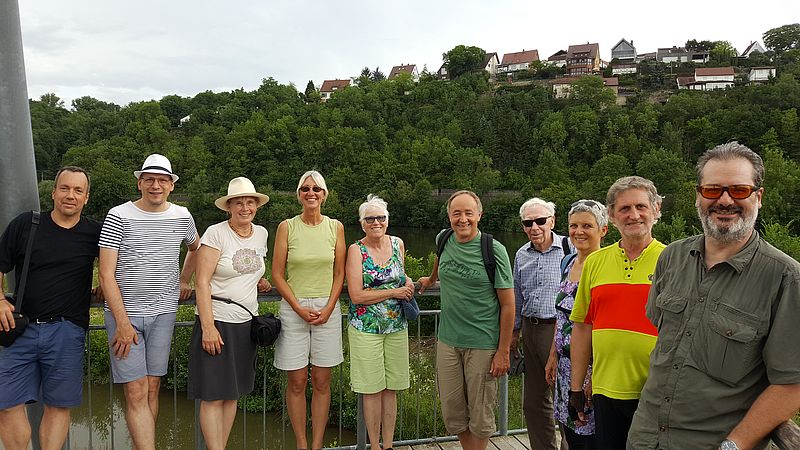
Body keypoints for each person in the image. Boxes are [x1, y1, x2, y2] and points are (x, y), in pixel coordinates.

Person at [628, 142, 800, 450]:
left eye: (739, 190)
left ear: (758, 197)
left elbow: (791, 385)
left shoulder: (785, 278)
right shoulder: (672, 257)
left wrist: (734, 445)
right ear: (698, 196)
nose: (724, 200)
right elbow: (664, 336)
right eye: (712, 190)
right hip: (644, 438)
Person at [99, 154, 200, 450]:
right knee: (135, 390)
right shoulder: (118, 215)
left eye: (162, 180)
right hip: (123, 316)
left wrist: (184, 280)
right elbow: (106, 274)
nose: (156, 185)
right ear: (140, 183)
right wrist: (122, 322)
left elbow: (196, 247)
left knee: (152, 387)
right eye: (150, 180)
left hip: (164, 313)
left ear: (171, 185)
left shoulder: (182, 216)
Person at [0, 167, 102, 450]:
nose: (71, 195)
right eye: (65, 188)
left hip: (67, 331)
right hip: (20, 329)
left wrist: (106, 286)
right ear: (54, 192)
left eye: (78, 191)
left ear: (86, 197)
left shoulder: (95, 232)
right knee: (5, 403)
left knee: (58, 406)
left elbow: (115, 267)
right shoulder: (27, 225)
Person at [569, 176, 665, 450]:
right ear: (611, 216)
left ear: (656, 210)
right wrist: (576, 387)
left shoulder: (673, 260)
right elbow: (582, 326)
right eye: (624, 209)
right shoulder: (595, 262)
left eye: (641, 207)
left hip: (655, 391)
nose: (633, 215)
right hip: (605, 389)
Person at [418, 190, 515, 450]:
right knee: (453, 411)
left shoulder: (493, 250)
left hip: (482, 344)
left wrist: (503, 351)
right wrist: (430, 279)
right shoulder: (444, 238)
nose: (462, 219)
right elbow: (440, 260)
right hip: (448, 341)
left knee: (480, 413)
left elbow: (508, 305)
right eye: (456, 213)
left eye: (468, 213)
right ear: (449, 216)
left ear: (479, 215)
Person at [187, 177, 271, 450]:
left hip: (245, 323)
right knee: (213, 395)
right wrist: (208, 327)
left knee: (233, 393)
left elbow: (252, 267)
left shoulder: (261, 234)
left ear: (256, 206)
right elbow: (202, 281)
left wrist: (262, 280)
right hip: (218, 321)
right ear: (229, 207)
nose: (245, 208)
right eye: (239, 203)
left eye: (250, 202)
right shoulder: (216, 233)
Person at [272, 170, 346, 450]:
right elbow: (277, 274)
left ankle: (317, 445)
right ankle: (302, 444)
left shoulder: (335, 227)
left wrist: (328, 307)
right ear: (299, 195)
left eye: (316, 189)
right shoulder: (286, 227)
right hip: (294, 308)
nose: (311, 193)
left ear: (324, 195)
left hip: (327, 308)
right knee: (297, 381)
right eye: (305, 189)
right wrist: (299, 308)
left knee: (322, 381)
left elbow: (339, 273)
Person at [345, 194, 414, 450]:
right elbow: (357, 295)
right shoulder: (356, 250)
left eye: (380, 217)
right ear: (362, 223)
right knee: (372, 390)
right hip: (366, 329)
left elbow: (399, 274)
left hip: (396, 327)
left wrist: (407, 281)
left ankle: (389, 445)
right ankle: (374, 445)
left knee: (392, 388)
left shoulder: (398, 244)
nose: (376, 222)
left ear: (387, 220)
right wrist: (394, 292)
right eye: (370, 218)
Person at [544, 200, 608, 450]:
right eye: (573, 226)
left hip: (591, 368)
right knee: (569, 432)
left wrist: (595, 377)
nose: (578, 232)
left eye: (587, 226)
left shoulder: (606, 266)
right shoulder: (568, 262)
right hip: (564, 367)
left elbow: (604, 324)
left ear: (603, 230)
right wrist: (552, 355)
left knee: (589, 436)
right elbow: (562, 317)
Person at [512, 197, 571, 450]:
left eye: (540, 220)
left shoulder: (570, 249)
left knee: (566, 398)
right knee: (534, 402)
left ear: (552, 221)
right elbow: (516, 294)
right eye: (528, 222)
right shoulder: (521, 253)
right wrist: (514, 332)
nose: (534, 227)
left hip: (560, 330)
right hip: (530, 328)